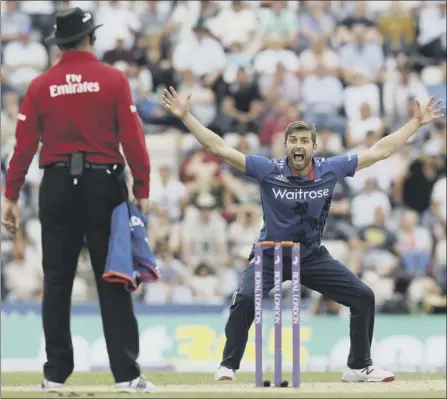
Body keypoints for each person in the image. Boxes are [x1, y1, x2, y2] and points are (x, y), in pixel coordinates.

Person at [162, 87, 444, 383]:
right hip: (269, 254)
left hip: (309, 255)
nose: (299, 145)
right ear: (286, 146)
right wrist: (187, 117)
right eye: (293, 140)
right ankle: (228, 365)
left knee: (363, 296)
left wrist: (416, 123)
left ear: (313, 146)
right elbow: (219, 148)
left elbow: (380, 151)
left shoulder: (330, 169)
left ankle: (359, 365)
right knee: (245, 298)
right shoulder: (268, 169)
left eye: (304, 141)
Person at [1, 8, 155, 393]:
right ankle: (126, 375)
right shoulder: (113, 79)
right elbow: (133, 139)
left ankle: (54, 373)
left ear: (59, 43)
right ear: (91, 39)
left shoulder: (40, 85)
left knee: (56, 281)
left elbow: (22, 148)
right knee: (113, 277)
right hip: (102, 185)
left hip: (55, 185)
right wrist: (143, 189)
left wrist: (11, 196)